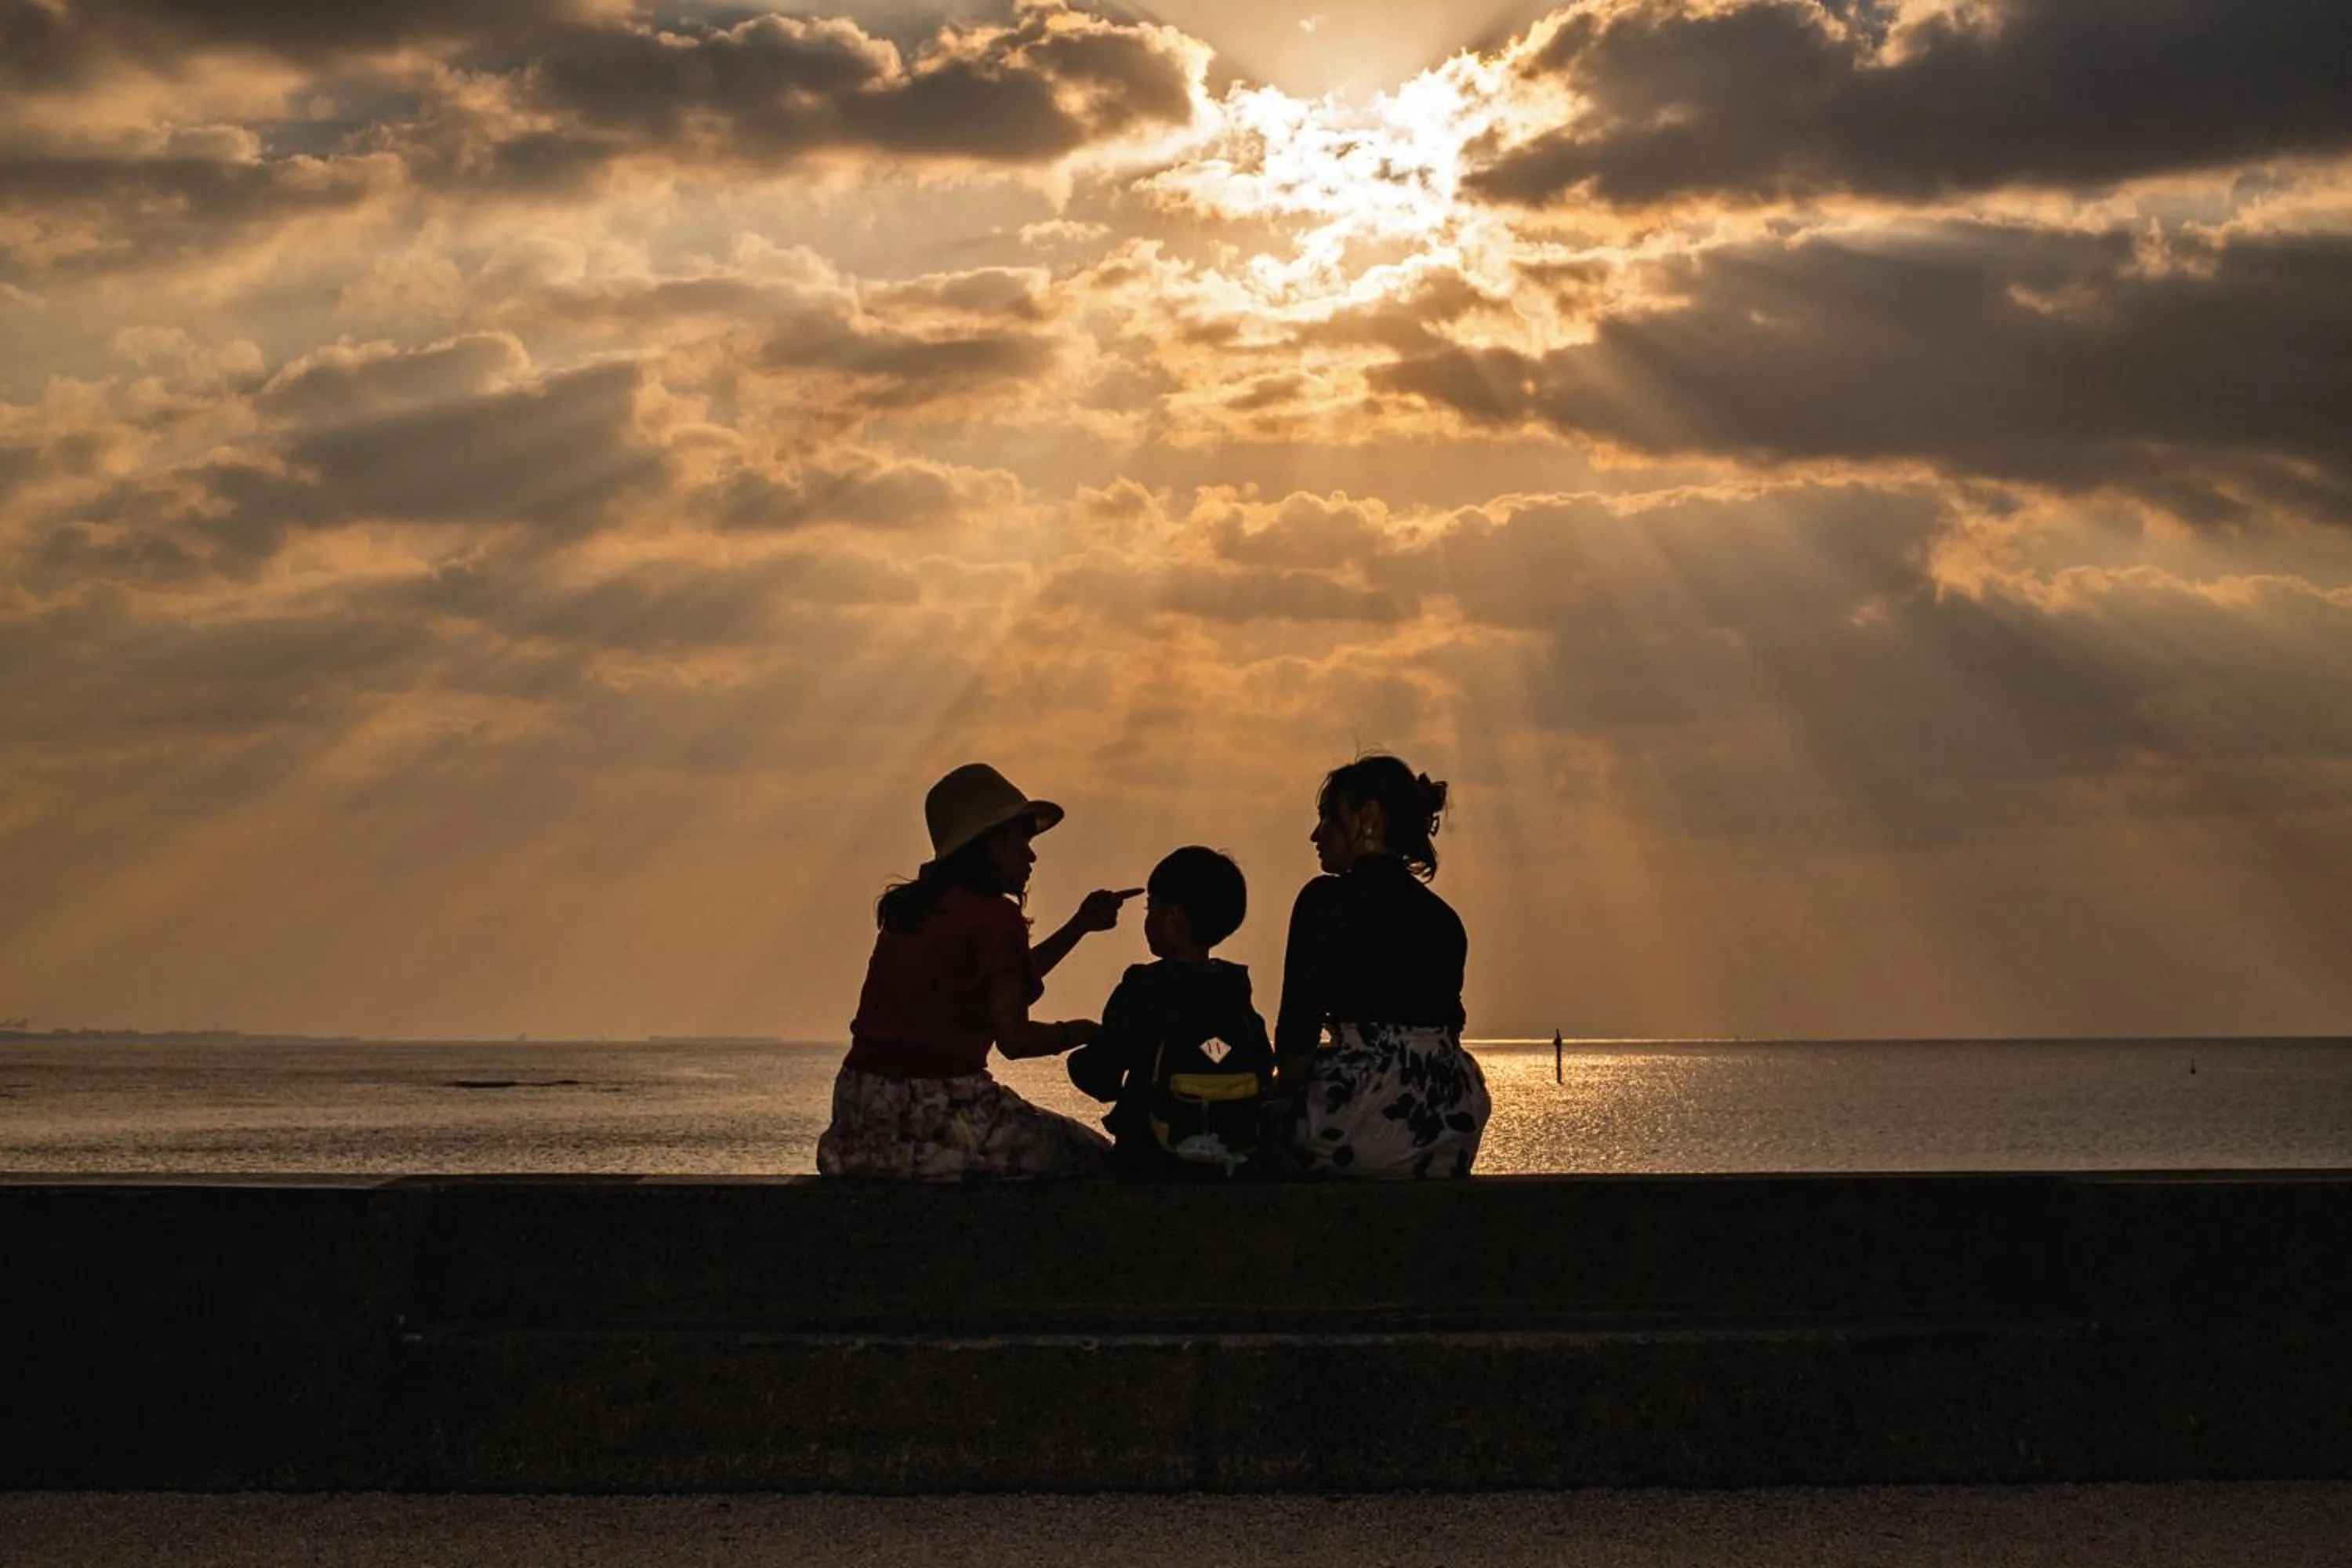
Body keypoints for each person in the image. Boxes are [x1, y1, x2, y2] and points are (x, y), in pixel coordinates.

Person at [817, 763, 1138, 1180]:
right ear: (988, 843)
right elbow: (1014, 1038)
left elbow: (1003, 978)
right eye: (1021, 839)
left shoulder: (913, 910)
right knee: (1094, 1158)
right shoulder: (996, 917)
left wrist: (1079, 926)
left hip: (861, 1107)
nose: (1031, 854)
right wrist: (1085, 1032)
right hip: (940, 1106)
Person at [1276, 754, 1489, 1178]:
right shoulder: (1444, 919)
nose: (1316, 834)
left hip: (1359, 1117)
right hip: (1450, 1124)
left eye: (1327, 816)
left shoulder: (1325, 902)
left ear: (1368, 817)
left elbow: (1296, 1046)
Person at [1065, 846, 1275, 1178]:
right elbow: (1260, 1062)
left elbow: (1101, 1074)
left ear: (1174, 918)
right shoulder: (1234, 990)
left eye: (1151, 907)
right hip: (1230, 1156)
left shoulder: (1143, 988)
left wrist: (1080, 1056)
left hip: (1151, 1156)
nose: (1147, 919)